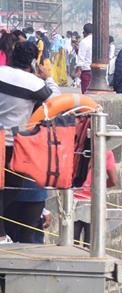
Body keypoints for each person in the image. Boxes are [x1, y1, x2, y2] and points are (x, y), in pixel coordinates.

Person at [0, 41, 60, 243]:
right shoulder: (34, 84)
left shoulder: (1, 72)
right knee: (12, 189)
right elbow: (56, 103)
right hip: (13, 146)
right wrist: (48, 78)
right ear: (33, 62)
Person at [77, 23, 92, 93]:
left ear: (85, 32)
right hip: (97, 71)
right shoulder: (98, 40)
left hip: (87, 70)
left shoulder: (84, 41)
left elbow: (81, 58)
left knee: (86, 93)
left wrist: (78, 70)